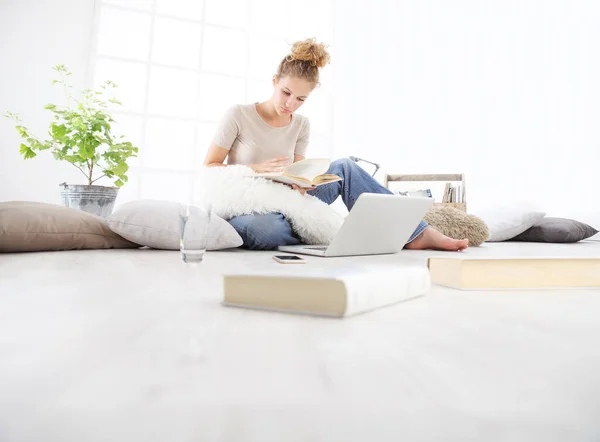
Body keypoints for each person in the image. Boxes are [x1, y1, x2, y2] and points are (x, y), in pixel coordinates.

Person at [203, 38, 468, 252]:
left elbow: (297, 171)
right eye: (286, 93)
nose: (290, 104)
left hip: (289, 200)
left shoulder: (301, 124)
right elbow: (210, 168)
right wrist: (256, 169)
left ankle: (417, 232)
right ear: (274, 81)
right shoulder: (238, 114)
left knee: (345, 167)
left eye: (300, 99)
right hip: (252, 205)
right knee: (264, 230)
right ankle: (324, 232)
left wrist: (303, 182)